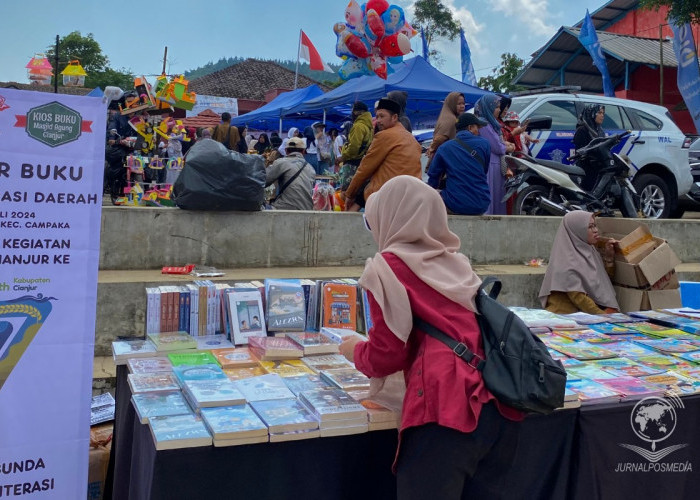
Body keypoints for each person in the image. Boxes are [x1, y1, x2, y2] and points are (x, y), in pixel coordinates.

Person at [338, 175, 522, 499]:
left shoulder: (387, 268)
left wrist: (353, 350)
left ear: (391, 218)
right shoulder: (457, 262)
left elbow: (387, 354)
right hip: (498, 400)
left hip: (445, 408)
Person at [344, 98, 421, 211]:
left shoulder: (384, 136)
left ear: (394, 117)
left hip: (387, 196)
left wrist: (349, 194)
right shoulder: (411, 138)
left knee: (356, 203)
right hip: (411, 196)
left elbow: (364, 169)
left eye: (382, 116)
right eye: (377, 116)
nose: (378, 120)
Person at [539, 211, 620, 314]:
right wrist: (605, 317)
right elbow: (579, 298)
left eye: (595, 226)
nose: (595, 231)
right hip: (565, 317)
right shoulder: (566, 261)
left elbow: (604, 282)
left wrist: (609, 258)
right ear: (576, 230)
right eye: (590, 227)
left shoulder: (589, 251)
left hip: (585, 316)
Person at [427, 113, 491, 215]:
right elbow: (484, 170)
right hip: (481, 203)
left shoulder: (444, 148)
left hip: (455, 204)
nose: (478, 131)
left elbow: (433, 176)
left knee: (429, 197)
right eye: (477, 128)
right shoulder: (485, 144)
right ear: (470, 128)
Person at [475, 94, 514, 215]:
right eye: (496, 107)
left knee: (496, 198)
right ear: (489, 107)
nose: (498, 109)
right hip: (490, 165)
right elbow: (497, 146)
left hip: (495, 164)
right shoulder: (484, 125)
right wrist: (507, 147)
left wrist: (504, 145)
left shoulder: (491, 124)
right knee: (492, 198)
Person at [265, 136, 316, 210]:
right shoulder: (310, 168)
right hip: (307, 208)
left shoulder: (281, 162)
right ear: (304, 151)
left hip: (284, 207)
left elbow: (263, 181)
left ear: (286, 151)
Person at [336, 102, 374, 194]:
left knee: (347, 193)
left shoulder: (358, 126)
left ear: (357, 112)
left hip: (352, 164)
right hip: (361, 162)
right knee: (357, 192)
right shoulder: (369, 126)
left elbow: (353, 147)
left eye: (352, 111)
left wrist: (343, 156)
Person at [426, 92, 465, 166]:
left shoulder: (447, 116)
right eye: (459, 104)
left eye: (463, 103)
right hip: (446, 160)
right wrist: (431, 148)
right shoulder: (451, 119)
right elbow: (440, 137)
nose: (462, 106)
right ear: (451, 104)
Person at [574, 104, 606, 191]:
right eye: (599, 112)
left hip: (597, 168)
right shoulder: (582, 130)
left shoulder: (600, 131)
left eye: (603, 113)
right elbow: (581, 153)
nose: (602, 115)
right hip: (585, 170)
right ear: (591, 114)